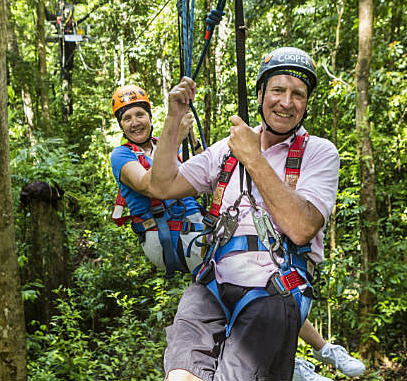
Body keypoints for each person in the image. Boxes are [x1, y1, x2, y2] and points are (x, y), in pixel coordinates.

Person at [143, 47, 362, 381]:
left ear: (306, 103)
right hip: (213, 283)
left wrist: (254, 157)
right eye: (278, 90)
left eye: (298, 94)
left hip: (275, 289)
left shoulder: (319, 153)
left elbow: (302, 228)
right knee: (180, 376)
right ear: (260, 94)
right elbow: (161, 186)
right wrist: (173, 118)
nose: (286, 102)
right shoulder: (226, 150)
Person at [109, 84, 206, 275]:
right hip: (164, 233)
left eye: (140, 115)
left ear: (149, 117)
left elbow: (205, 174)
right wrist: (175, 138)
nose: (134, 123)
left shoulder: (166, 147)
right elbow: (149, 186)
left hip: (196, 223)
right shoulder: (121, 155)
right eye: (127, 118)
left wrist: (191, 137)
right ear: (121, 126)